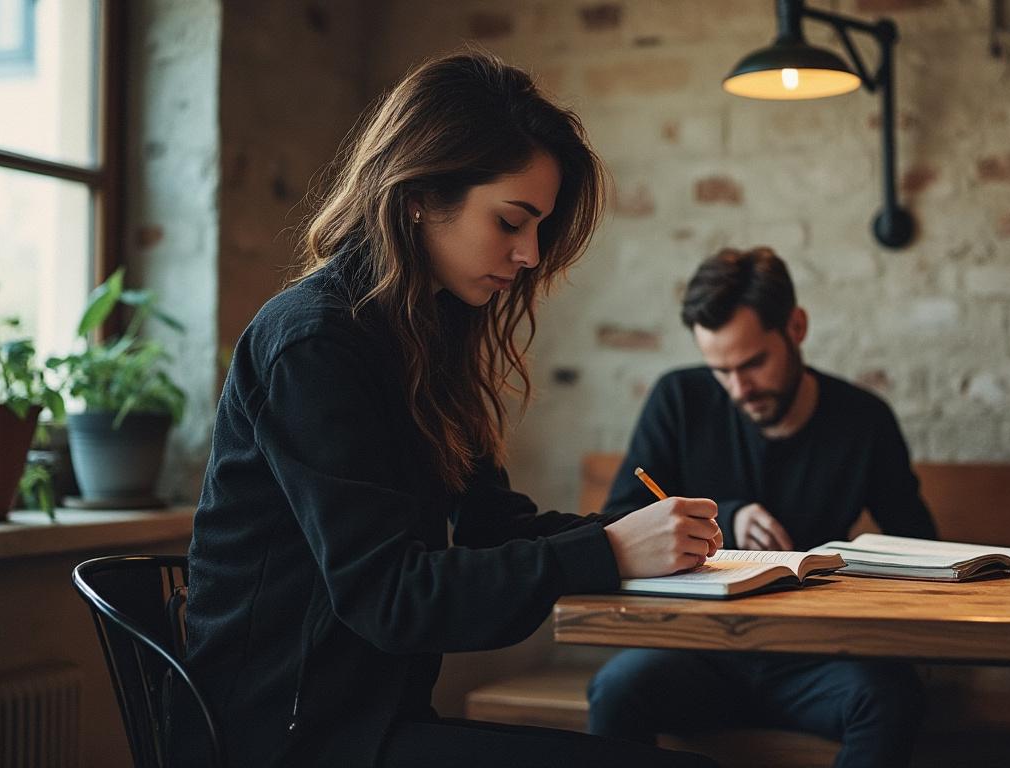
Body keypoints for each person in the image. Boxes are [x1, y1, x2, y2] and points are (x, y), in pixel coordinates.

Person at [172, 50, 722, 768]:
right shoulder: (313, 345)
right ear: (419, 196)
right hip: (283, 738)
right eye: (510, 222)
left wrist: (646, 535)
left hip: (373, 722)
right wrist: (611, 550)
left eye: (537, 229)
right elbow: (392, 599)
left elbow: (497, 526)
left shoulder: (424, 340)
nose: (529, 254)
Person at [586, 247, 936, 768]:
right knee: (615, 688)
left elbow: (921, 546)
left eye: (752, 363)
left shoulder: (863, 420)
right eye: (720, 371)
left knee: (891, 698)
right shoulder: (679, 398)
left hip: (815, 659)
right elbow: (619, 520)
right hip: (695, 650)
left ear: (796, 327)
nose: (738, 389)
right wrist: (725, 517)